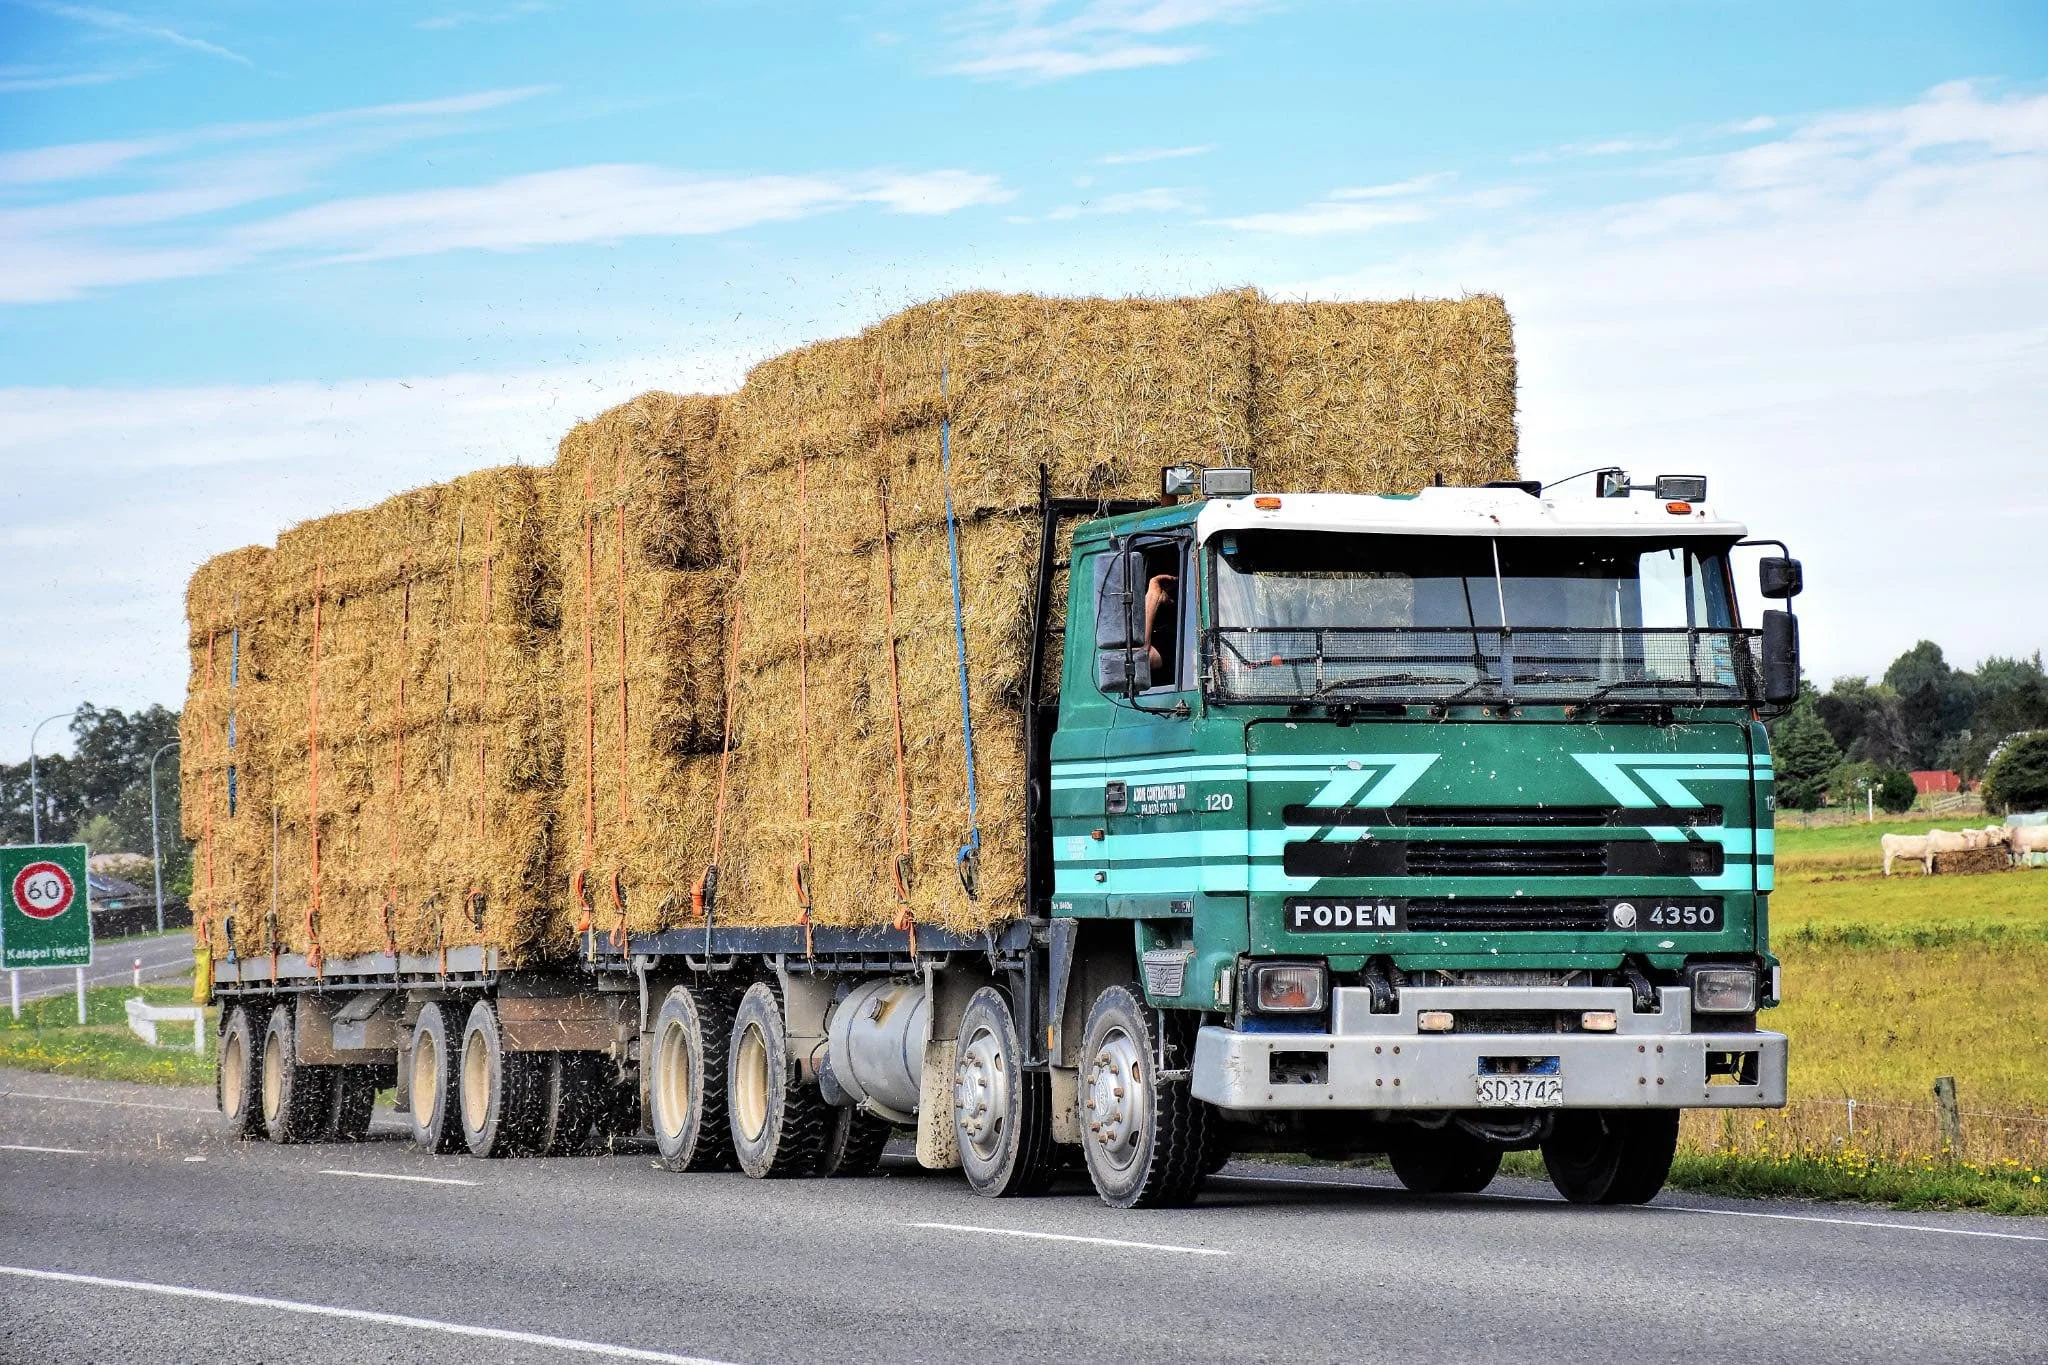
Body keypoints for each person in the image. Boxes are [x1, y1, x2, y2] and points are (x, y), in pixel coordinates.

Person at [1143, 573, 1178, 679]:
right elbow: (1140, 657)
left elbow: (1142, 657)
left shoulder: (1182, 641)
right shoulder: (1165, 640)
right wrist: (1153, 596)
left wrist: (1153, 595)